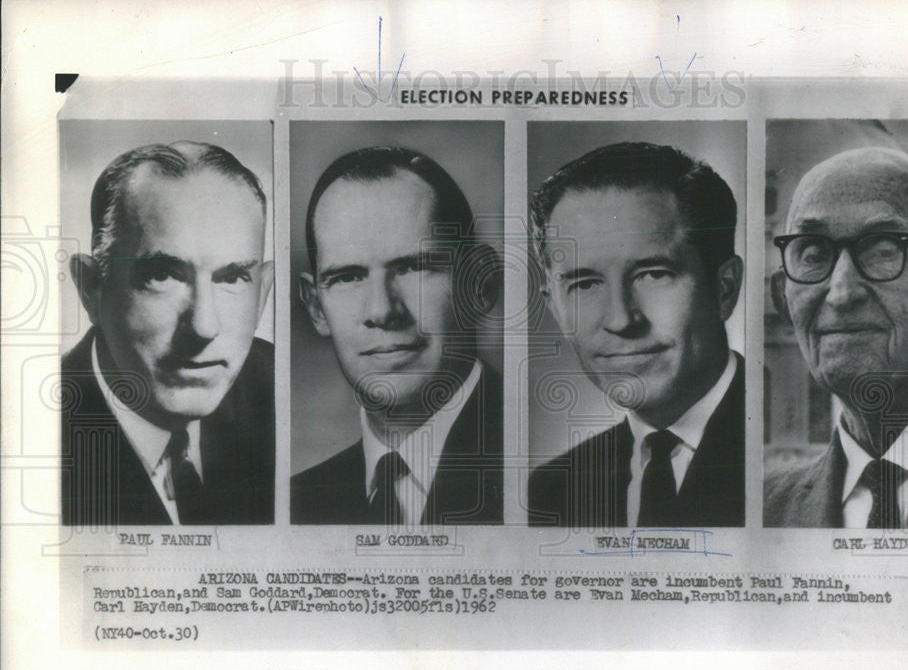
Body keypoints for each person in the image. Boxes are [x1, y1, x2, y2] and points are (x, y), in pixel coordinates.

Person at [528, 141, 745, 528]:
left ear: (724, 289)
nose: (621, 319)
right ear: (556, 308)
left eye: (653, 275)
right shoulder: (551, 491)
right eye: (585, 284)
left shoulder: (777, 463)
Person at [62, 141, 275, 526]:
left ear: (262, 295)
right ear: (92, 289)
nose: (204, 327)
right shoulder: (35, 433)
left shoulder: (275, 392)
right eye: (163, 276)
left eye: (232, 278)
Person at [291, 147, 503, 525]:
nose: (382, 311)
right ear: (316, 309)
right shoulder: (299, 504)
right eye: (348, 277)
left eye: (413, 267)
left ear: (480, 285)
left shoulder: (540, 472)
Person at [764, 146, 908, 529]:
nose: (842, 293)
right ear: (783, 297)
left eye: (883, 250)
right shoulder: (767, 508)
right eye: (813, 254)